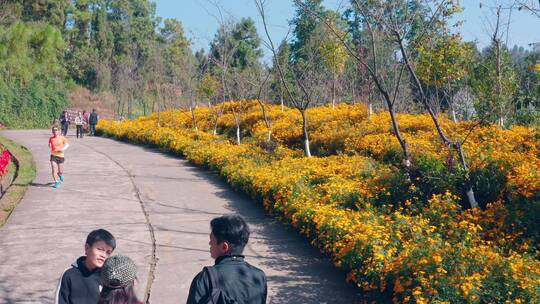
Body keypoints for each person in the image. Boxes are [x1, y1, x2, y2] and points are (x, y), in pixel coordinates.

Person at [186, 214, 267, 304]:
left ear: (224, 247)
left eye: (212, 240)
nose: (209, 243)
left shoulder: (206, 278)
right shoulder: (259, 276)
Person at [55, 229, 116, 304]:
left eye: (108, 252)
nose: (103, 255)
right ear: (87, 248)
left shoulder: (108, 276)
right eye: (100, 249)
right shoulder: (69, 274)